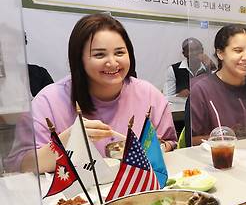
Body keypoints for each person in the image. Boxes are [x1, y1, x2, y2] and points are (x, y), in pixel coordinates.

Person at [8, 14, 177, 173]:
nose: (112, 63)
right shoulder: (49, 101)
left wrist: (158, 148)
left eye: (119, 52)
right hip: (77, 198)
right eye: (99, 54)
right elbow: (21, 164)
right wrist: (67, 141)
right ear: (78, 59)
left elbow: (170, 144)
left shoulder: (149, 95)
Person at [189, 25, 246, 143]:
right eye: (238, 50)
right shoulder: (202, 90)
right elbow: (191, 141)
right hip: (219, 158)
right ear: (220, 53)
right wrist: (227, 139)